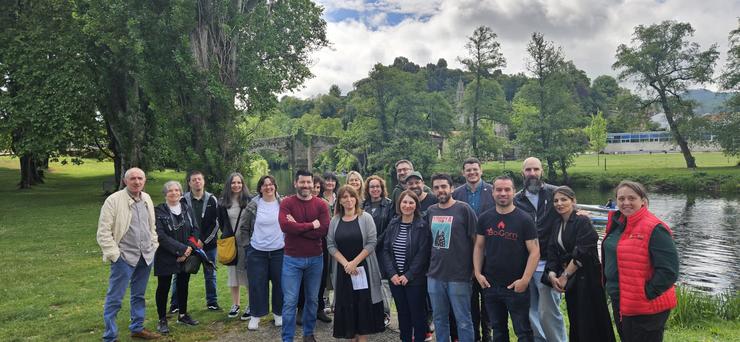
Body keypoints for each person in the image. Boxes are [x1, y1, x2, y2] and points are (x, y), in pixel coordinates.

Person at [602, 181, 678, 342]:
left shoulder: (655, 228)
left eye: (632, 198)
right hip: (621, 300)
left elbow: (669, 271)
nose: (626, 203)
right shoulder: (618, 224)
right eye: (621, 199)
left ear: (643, 201)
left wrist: (645, 293)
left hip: (646, 307)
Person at [96, 167, 161, 341]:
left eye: (140, 178)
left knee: (139, 295)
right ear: (125, 181)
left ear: (144, 180)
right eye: (133, 178)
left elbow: (151, 226)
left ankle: (137, 328)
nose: (137, 181)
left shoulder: (146, 198)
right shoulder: (113, 200)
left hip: (145, 256)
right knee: (115, 298)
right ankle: (110, 336)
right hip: (124, 257)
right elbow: (103, 232)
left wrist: (153, 245)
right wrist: (115, 255)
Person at [545, 186, 616, 342]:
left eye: (564, 199)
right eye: (556, 200)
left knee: (591, 318)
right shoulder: (556, 223)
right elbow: (551, 250)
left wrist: (565, 276)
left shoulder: (582, 221)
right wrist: (551, 274)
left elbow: (582, 251)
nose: (559, 203)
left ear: (573, 201)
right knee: (576, 317)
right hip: (572, 281)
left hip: (588, 278)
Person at [473, 175, 539, 342]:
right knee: (498, 329)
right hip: (491, 285)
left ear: (514, 192)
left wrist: (525, 279)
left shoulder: (524, 219)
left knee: (523, 331)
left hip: (516, 286)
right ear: (492, 192)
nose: (503, 193)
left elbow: (534, 251)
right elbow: (479, 247)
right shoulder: (485, 218)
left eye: (507, 189)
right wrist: (478, 273)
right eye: (499, 189)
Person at [513, 157, 567, 342]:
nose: (532, 173)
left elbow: (569, 213)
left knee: (549, 312)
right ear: (523, 173)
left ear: (542, 171)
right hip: (525, 265)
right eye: (528, 170)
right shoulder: (516, 199)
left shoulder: (554, 194)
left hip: (549, 263)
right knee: (531, 310)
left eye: (536, 169)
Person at [327, 185, 386, 340]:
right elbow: (331, 245)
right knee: (347, 306)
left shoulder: (365, 218)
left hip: (363, 270)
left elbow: (372, 243)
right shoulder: (335, 220)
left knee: (362, 307)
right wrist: (346, 264)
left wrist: (355, 263)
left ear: (356, 198)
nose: (348, 200)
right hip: (343, 271)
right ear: (339, 200)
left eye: (351, 196)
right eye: (344, 197)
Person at [279, 170, 331, 342]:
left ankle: (308, 334)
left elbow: (323, 230)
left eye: (309, 182)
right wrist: (311, 226)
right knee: (290, 301)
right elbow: (285, 227)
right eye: (302, 182)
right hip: (292, 259)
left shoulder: (321, 205)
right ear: (296, 183)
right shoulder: (287, 203)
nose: (306, 186)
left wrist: (299, 227)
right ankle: (287, 338)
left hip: (316, 259)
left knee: (313, 300)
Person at [426, 173, 478, 342]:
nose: (440, 190)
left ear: (451, 188)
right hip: (435, 275)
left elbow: (477, 242)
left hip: (459, 276)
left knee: (463, 320)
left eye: (443, 186)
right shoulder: (431, 211)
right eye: (436, 187)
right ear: (433, 190)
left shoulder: (464, 209)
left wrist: (475, 269)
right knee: (440, 319)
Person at [452, 157, 494, 342]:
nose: (472, 173)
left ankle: (487, 334)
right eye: (468, 170)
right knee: (469, 298)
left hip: (490, 253)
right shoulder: (457, 193)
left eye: (475, 169)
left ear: (481, 170)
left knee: (488, 297)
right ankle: (474, 335)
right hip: (465, 254)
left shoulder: (493, 191)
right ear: (463, 173)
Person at [381, 190, 431, 342]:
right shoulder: (394, 223)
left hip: (415, 280)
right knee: (402, 314)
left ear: (416, 205)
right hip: (396, 279)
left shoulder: (422, 225)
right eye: (404, 202)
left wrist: (408, 275)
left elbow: (423, 254)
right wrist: (392, 274)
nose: (407, 205)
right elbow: (386, 250)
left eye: (411, 202)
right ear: (399, 204)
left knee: (417, 314)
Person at [154, 181, 201, 335]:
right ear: (165, 193)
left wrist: (188, 250)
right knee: (163, 288)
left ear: (181, 192)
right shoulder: (159, 211)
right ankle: (162, 319)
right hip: (166, 255)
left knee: (183, 284)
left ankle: (183, 315)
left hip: (186, 254)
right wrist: (181, 250)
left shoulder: (187, 208)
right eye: (170, 190)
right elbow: (160, 235)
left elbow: (196, 229)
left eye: (176, 190)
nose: (173, 193)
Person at [170, 170, 220, 314]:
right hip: (188, 244)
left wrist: (203, 241)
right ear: (189, 183)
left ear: (203, 181)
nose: (197, 182)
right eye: (194, 180)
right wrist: (191, 241)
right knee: (179, 274)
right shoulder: (183, 200)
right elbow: (178, 222)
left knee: (210, 273)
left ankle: (212, 302)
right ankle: (175, 304)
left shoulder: (212, 199)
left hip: (208, 245)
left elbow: (216, 223)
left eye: (199, 179)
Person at [243, 175, 284, 330]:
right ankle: (255, 316)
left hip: (279, 251)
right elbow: (244, 228)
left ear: (275, 187)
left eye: (271, 184)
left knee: (280, 284)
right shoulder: (253, 205)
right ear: (260, 188)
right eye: (265, 185)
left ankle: (278, 314)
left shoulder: (283, 204)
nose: (268, 187)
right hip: (257, 252)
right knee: (257, 284)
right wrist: (248, 248)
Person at [217, 172, 252, 320]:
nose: (236, 185)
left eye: (239, 182)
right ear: (229, 184)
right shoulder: (223, 202)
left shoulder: (250, 201)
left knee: (248, 274)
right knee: (233, 275)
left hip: (245, 242)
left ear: (243, 184)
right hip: (231, 242)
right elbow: (221, 221)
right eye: (233, 183)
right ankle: (235, 304)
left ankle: (251, 305)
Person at [363, 175, 395, 327]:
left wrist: (375, 243)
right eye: (372, 187)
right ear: (367, 189)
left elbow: (390, 227)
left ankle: (385, 313)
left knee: (383, 282)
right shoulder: (363, 205)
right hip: (365, 250)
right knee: (368, 281)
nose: (375, 189)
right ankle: (371, 312)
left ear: (382, 189)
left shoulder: (389, 205)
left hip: (382, 249)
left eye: (378, 186)